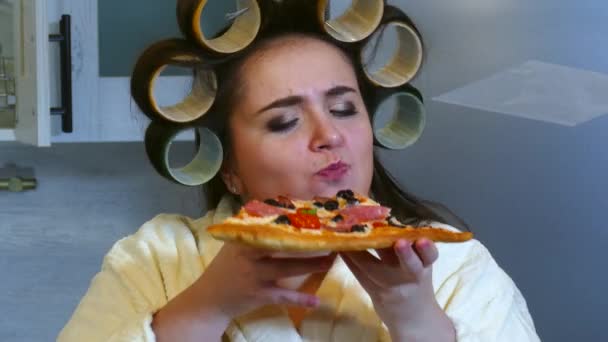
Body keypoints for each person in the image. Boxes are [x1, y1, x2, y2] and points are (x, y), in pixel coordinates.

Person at [58, 1, 540, 341]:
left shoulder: (457, 267)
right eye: (284, 121)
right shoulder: (156, 259)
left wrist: (415, 320)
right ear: (229, 168)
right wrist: (205, 308)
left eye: (345, 109)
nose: (328, 135)